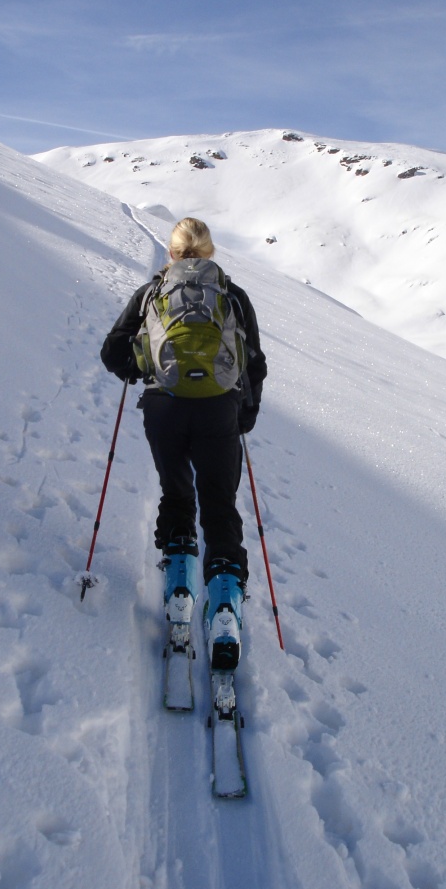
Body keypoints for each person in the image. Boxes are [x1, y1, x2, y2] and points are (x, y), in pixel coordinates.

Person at [100, 218, 267, 670]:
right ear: (209, 253)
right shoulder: (232, 295)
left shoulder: (153, 292)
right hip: (219, 411)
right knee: (220, 504)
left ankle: (178, 591)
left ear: (172, 253)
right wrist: (243, 416)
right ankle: (226, 609)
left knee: (177, 494)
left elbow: (112, 352)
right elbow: (255, 363)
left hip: (165, 408)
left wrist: (139, 369)